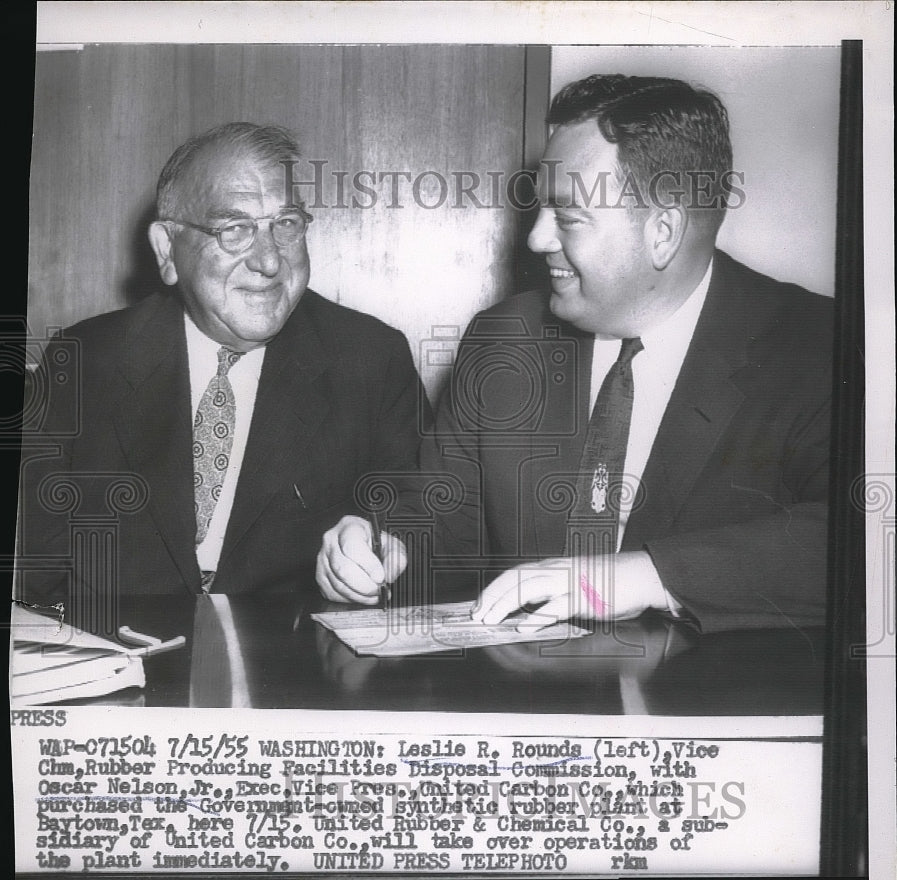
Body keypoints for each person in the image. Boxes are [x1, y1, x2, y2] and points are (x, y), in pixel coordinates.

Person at [316, 74, 833, 634]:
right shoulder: (503, 341)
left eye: (567, 218)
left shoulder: (819, 348)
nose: (536, 240)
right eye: (540, 212)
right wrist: (382, 548)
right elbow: (443, 524)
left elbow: (856, 538)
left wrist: (645, 577)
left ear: (663, 231)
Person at [18, 122, 426, 607]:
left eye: (286, 224)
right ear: (167, 250)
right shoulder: (84, 361)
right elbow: (32, 569)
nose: (270, 261)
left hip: (294, 665)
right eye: (235, 230)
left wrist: (379, 545)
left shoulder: (370, 358)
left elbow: (420, 518)